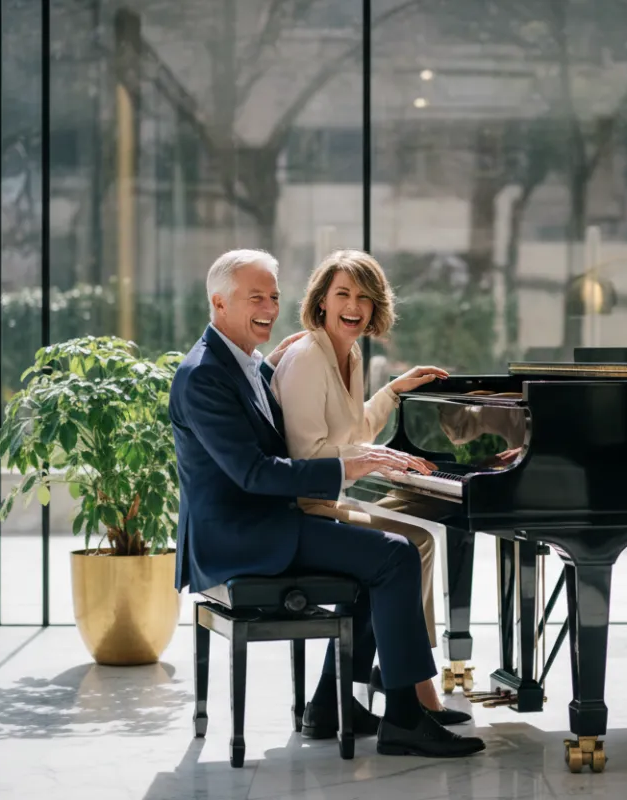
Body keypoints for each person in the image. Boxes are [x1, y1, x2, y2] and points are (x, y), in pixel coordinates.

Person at [169, 248, 484, 758]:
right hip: (242, 536)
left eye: (273, 295)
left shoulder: (243, 360)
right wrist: (349, 466)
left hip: (268, 520)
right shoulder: (204, 374)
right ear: (218, 303)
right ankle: (405, 715)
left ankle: (330, 705)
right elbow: (253, 473)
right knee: (395, 553)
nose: (269, 306)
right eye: (256, 297)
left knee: (382, 557)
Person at [269, 249, 470, 725]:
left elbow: (353, 431)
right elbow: (304, 457)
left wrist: (393, 391)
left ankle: (333, 700)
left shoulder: (348, 354)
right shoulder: (307, 359)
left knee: (418, 542)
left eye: (364, 296)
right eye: (343, 293)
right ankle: (416, 691)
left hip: (325, 502)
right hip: (301, 510)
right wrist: (368, 459)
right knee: (409, 546)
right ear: (321, 301)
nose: (353, 305)